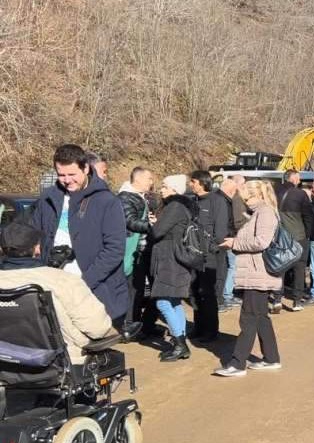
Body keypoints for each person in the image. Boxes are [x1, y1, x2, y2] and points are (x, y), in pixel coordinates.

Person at [32, 144, 129, 324]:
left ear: (85, 168)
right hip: (53, 287)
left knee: (90, 348)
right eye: (61, 175)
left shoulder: (107, 201)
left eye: (72, 174)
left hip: (94, 291)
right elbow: (32, 231)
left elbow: (115, 249)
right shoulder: (48, 197)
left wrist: (84, 282)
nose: (67, 180)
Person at [0, 222, 113, 365]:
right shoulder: (62, 281)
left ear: (3, 250)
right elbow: (98, 328)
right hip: (61, 362)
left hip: (5, 361)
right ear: (37, 248)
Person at [215, 180, 283, 377]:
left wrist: (235, 242)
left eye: (246, 198)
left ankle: (237, 363)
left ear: (257, 195)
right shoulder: (260, 212)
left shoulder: (265, 212)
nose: (244, 202)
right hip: (256, 273)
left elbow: (261, 241)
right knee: (260, 317)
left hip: (258, 273)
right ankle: (271, 358)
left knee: (248, 317)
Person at [148, 174, 196, 362]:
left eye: (165, 186)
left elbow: (158, 232)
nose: (161, 189)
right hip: (176, 257)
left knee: (163, 302)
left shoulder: (174, 206)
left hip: (169, 258)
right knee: (174, 302)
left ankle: (180, 344)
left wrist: (153, 224)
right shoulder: (182, 206)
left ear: (174, 190)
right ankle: (181, 341)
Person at [189, 170, 230, 340]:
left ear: (201, 182)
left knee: (208, 293)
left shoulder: (217, 201)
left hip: (210, 256)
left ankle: (211, 331)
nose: (190, 184)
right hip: (192, 255)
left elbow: (220, 231)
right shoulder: (192, 201)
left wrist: (211, 248)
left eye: (192, 181)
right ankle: (198, 328)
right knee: (194, 292)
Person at [117, 167, 155, 340]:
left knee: (139, 289)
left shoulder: (139, 197)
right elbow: (130, 221)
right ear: (138, 179)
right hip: (131, 251)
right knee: (132, 290)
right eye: (149, 178)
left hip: (140, 250)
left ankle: (139, 324)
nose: (151, 182)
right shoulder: (125, 197)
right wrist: (151, 226)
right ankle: (128, 327)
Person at [275, 170, 314, 312]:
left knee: (280, 267)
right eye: (298, 178)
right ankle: (297, 301)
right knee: (299, 268)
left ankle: (277, 299)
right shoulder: (300, 194)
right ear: (293, 178)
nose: (299, 181)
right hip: (299, 236)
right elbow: (308, 216)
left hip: (279, 237)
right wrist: (308, 234)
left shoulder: (273, 191)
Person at [219, 174, 247, 309]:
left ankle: (228, 294)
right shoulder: (236, 200)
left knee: (232, 266)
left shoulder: (233, 199)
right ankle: (227, 295)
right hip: (234, 236)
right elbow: (236, 221)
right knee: (233, 266)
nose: (244, 187)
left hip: (233, 235)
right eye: (243, 184)